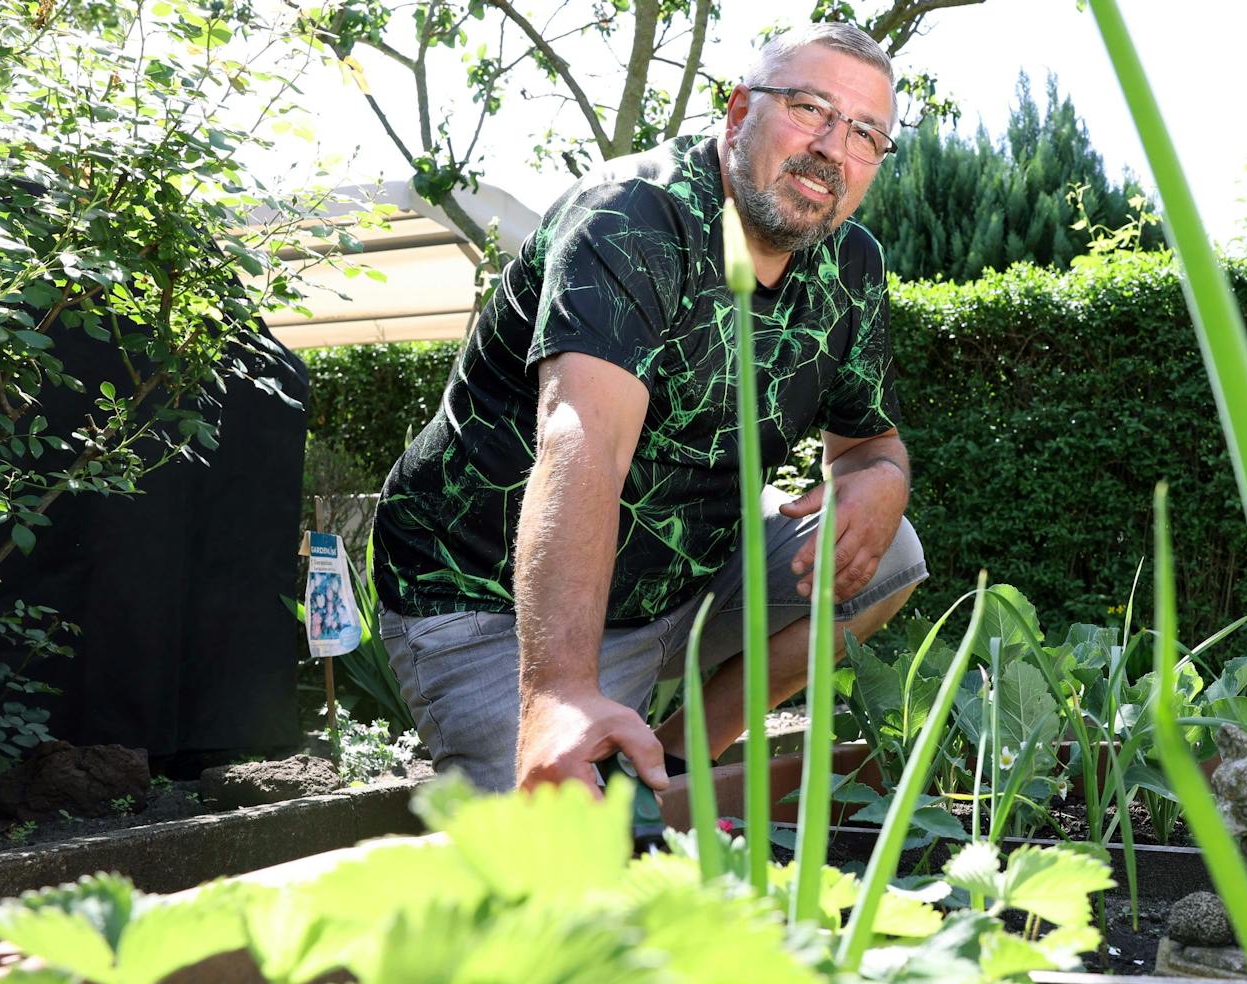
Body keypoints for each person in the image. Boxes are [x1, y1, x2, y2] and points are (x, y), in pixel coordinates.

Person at [370, 22, 925, 796]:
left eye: (866, 133)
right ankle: (579, 722)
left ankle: (677, 755)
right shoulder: (631, 216)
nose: (833, 146)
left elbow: (872, 443)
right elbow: (586, 442)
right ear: (738, 113)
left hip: (679, 587)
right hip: (492, 599)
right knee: (547, 854)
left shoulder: (850, 261)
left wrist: (881, 478)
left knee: (890, 551)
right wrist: (559, 692)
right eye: (809, 108)